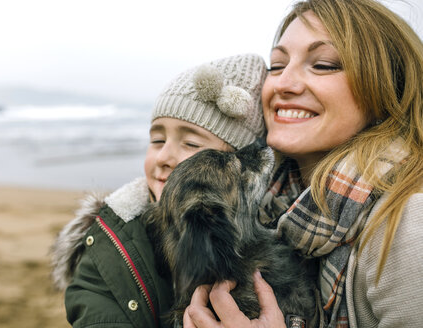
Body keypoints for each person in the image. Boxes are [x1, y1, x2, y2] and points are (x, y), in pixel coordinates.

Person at [183, 0, 423, 327]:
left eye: (323, 64)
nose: (284, 83)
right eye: (277, 65)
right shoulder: (267, 203)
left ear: (386, 89)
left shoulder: (409, 223)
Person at [50, 53, 269, 328]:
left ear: (239, 165)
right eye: (157, 139)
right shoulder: (109, 244)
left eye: (190, 143)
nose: (163, 156)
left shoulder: (270, 235)